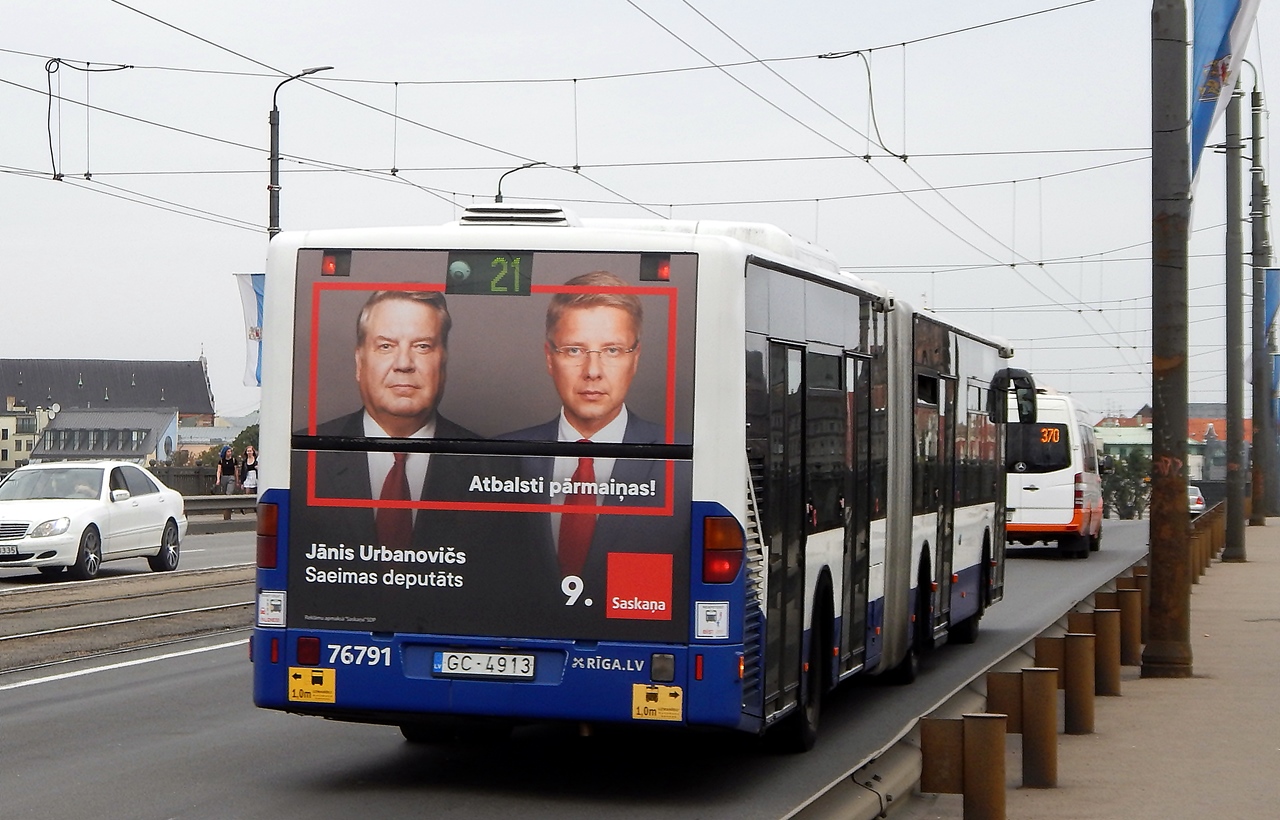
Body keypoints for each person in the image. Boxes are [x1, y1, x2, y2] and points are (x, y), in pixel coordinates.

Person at [500, 271, 677, 615]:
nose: (592, 370)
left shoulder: (683, 463)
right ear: (549, 358)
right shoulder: (500, 457)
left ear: (635, 358)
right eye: (574, 350)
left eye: (611, 350)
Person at [215, 445, 238, 520]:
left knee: (229, 493)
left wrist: (237, 480)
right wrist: (218, 479)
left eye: (230, 451)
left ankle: (229, 510)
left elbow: (236, 471)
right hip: (224, 477)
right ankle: (227, 512)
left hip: (231, 477)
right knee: (225, 495)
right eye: (228, 451)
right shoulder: (221, 461)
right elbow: (219, 471)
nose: (229, 453)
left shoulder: (234, 460)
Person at [237, 445, 259, 514]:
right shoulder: (244, 461)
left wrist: (257, 467)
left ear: (253, 452)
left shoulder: (256, 460)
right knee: (247, 492)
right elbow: (243, 472)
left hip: (255, 476)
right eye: (248, 451)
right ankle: (244, 507)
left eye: (250, 451)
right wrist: (242, 482)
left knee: (256, 492)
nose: (249, 452)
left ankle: (256, 508)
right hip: (248, 477)